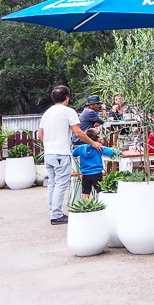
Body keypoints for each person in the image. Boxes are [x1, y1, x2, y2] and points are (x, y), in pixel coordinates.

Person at [38, 85, 101, 224]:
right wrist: (93, 143)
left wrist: (49, 144)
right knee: (61, 184)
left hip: (48, 153)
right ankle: (56, 215)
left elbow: (40, 134)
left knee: (53, 184)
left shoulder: (47, 113)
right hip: (61, 153)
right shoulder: (68, 111)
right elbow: (77, 132)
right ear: (67, 98)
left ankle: (53, 210)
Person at [72, 129, 114, 198]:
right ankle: (99, 204)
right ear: (98, 139)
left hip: (85, 174)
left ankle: (86, 206)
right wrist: (120, 152)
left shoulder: (81, 148)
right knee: (100, 191)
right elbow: (111, 153)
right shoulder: (99, 148)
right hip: (97, 173)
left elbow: (74, 154)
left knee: (86, 192)